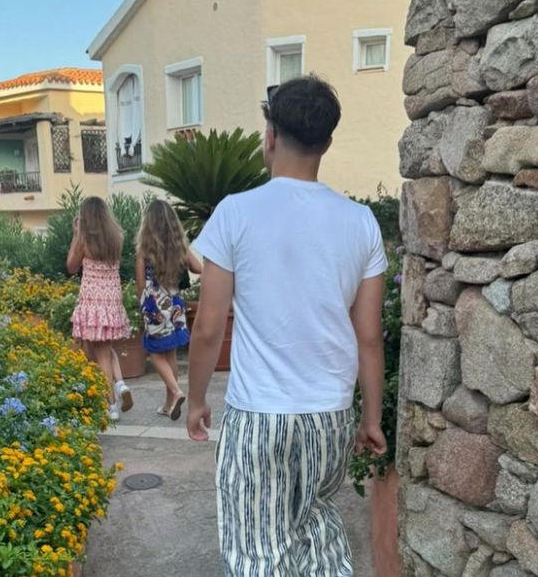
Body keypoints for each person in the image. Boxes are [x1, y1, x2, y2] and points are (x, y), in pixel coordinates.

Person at [187, 74, 388, 576]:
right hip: (330, 417)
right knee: (316, 536)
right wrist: (371, 419)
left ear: (270, 135)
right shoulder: (360, 222)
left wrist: (195, 401)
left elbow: (209, 327)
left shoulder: (235, 213)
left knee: (259, 555)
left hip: (259, 415)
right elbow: (368, 337)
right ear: (327, 142)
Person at [67, 197, 133, 422]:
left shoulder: (84, 240)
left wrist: (76, 234)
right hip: (112, 300)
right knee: (101, 348)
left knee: (101, 353)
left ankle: (111, 406)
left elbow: (71, 266)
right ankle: (121, 384)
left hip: (93, 301)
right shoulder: (117, 238)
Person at [136, 199, 202, 421]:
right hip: (175, 305)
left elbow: (140, 285)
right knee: (170, 352)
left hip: (154, 306)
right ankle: (168, 404)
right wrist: (183, 246)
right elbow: (198, 268)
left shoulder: (144, 250)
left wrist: (143, 308)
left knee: (154, 352)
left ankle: (175, 392)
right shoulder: (178, 248)